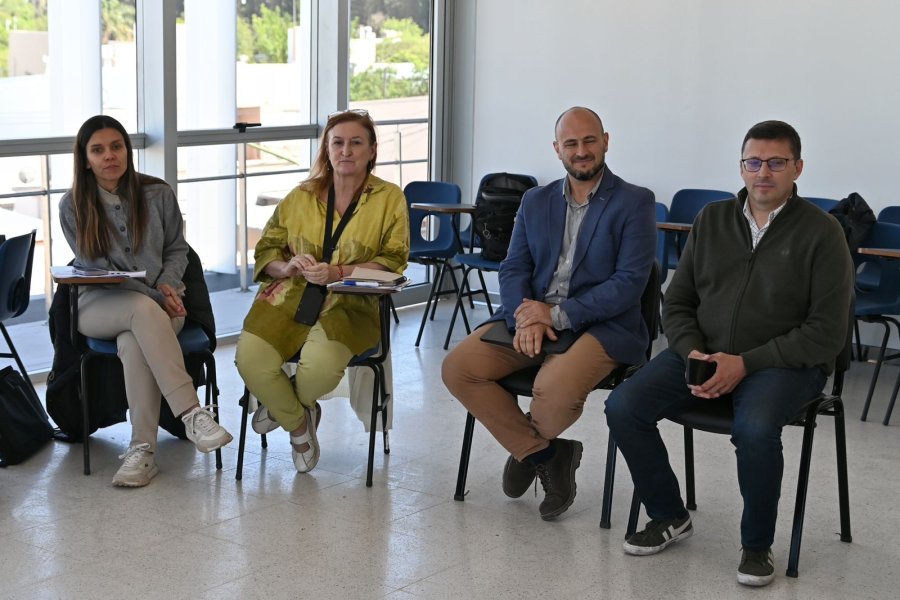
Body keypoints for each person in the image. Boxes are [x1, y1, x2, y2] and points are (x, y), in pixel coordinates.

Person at [605, 120, 853, 586]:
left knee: (755, 429)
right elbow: (677, 302)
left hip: (782, 365)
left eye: (776, 162)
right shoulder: (713, 218)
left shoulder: (823, 233)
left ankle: (757, 546)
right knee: (623, 405)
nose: (763, 172)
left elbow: (826, 334)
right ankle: (669, 514)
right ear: (741, 167)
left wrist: (747, 363)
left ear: (798, 167)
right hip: (702, 352)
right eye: (753, 162)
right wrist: (693, 349)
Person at [442, 107, 656, 520]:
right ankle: (546, 453)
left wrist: (553, 316)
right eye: (571, 144)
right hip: (531, 318)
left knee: (551, 388)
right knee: (458, 368)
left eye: (589, 141)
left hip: (601, 324)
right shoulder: (535, 200)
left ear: (606, 141)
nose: (581, 151)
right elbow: (514, 266)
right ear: (557, 149)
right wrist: (526, 315)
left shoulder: (635, 202)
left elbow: (629, 283)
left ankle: (527, 451)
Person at [59, 115, 233, 488]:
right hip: (98, 304)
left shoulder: (158, 193)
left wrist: (170, 285)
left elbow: (177, 249)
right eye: (98, 150)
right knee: (140, 310)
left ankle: (142, 452)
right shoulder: (73, 205)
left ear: (127, 150)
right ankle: (191, 413)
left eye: (116, 146)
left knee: (133, 340)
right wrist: (160, 297)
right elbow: (101, 271)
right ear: (85, 157)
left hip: (162, 304)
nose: (109, 156)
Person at [235, 109, 409, 474]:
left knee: (319, 369)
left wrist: (338, 271)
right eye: (338, 143)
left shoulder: (389, 198)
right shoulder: (301, 195)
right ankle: (301, 424)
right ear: (327, 150)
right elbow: (268, 247)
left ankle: (283, 403)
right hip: (290, 295)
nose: (346, 151)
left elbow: (394, 258)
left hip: (353, 302)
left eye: (356, 143)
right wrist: (286, 266)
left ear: (372, 150)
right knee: (250, 360)